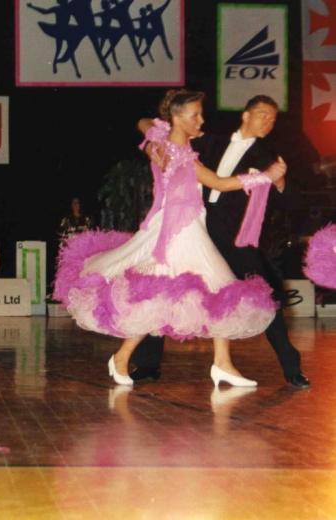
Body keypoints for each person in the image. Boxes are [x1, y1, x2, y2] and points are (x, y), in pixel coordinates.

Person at [54, 89, 285, 386]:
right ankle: (126, 357)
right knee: (187, 294)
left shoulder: (166, 142)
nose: (201, 120)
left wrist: (155, 132)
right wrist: (266, 176)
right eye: (195, 115)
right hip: (178, 233)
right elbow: (218, 183)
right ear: (177, 117)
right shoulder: (180, 155)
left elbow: (142, 122)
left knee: (210, 292)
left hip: (185, 226)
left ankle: (221, 363)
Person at [132, 95, 311, 389]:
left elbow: (292, 202)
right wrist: (154, 142)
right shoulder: (208, 140)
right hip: (194, 227)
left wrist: (279, 182)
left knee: (266, 294)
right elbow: (147, 123)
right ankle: (148, 365)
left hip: (234, 237)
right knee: (165, 286)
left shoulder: (268, 157)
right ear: (246, 115)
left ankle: (292, 367)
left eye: (273, 118)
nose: (268, 121)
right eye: (263, 114)